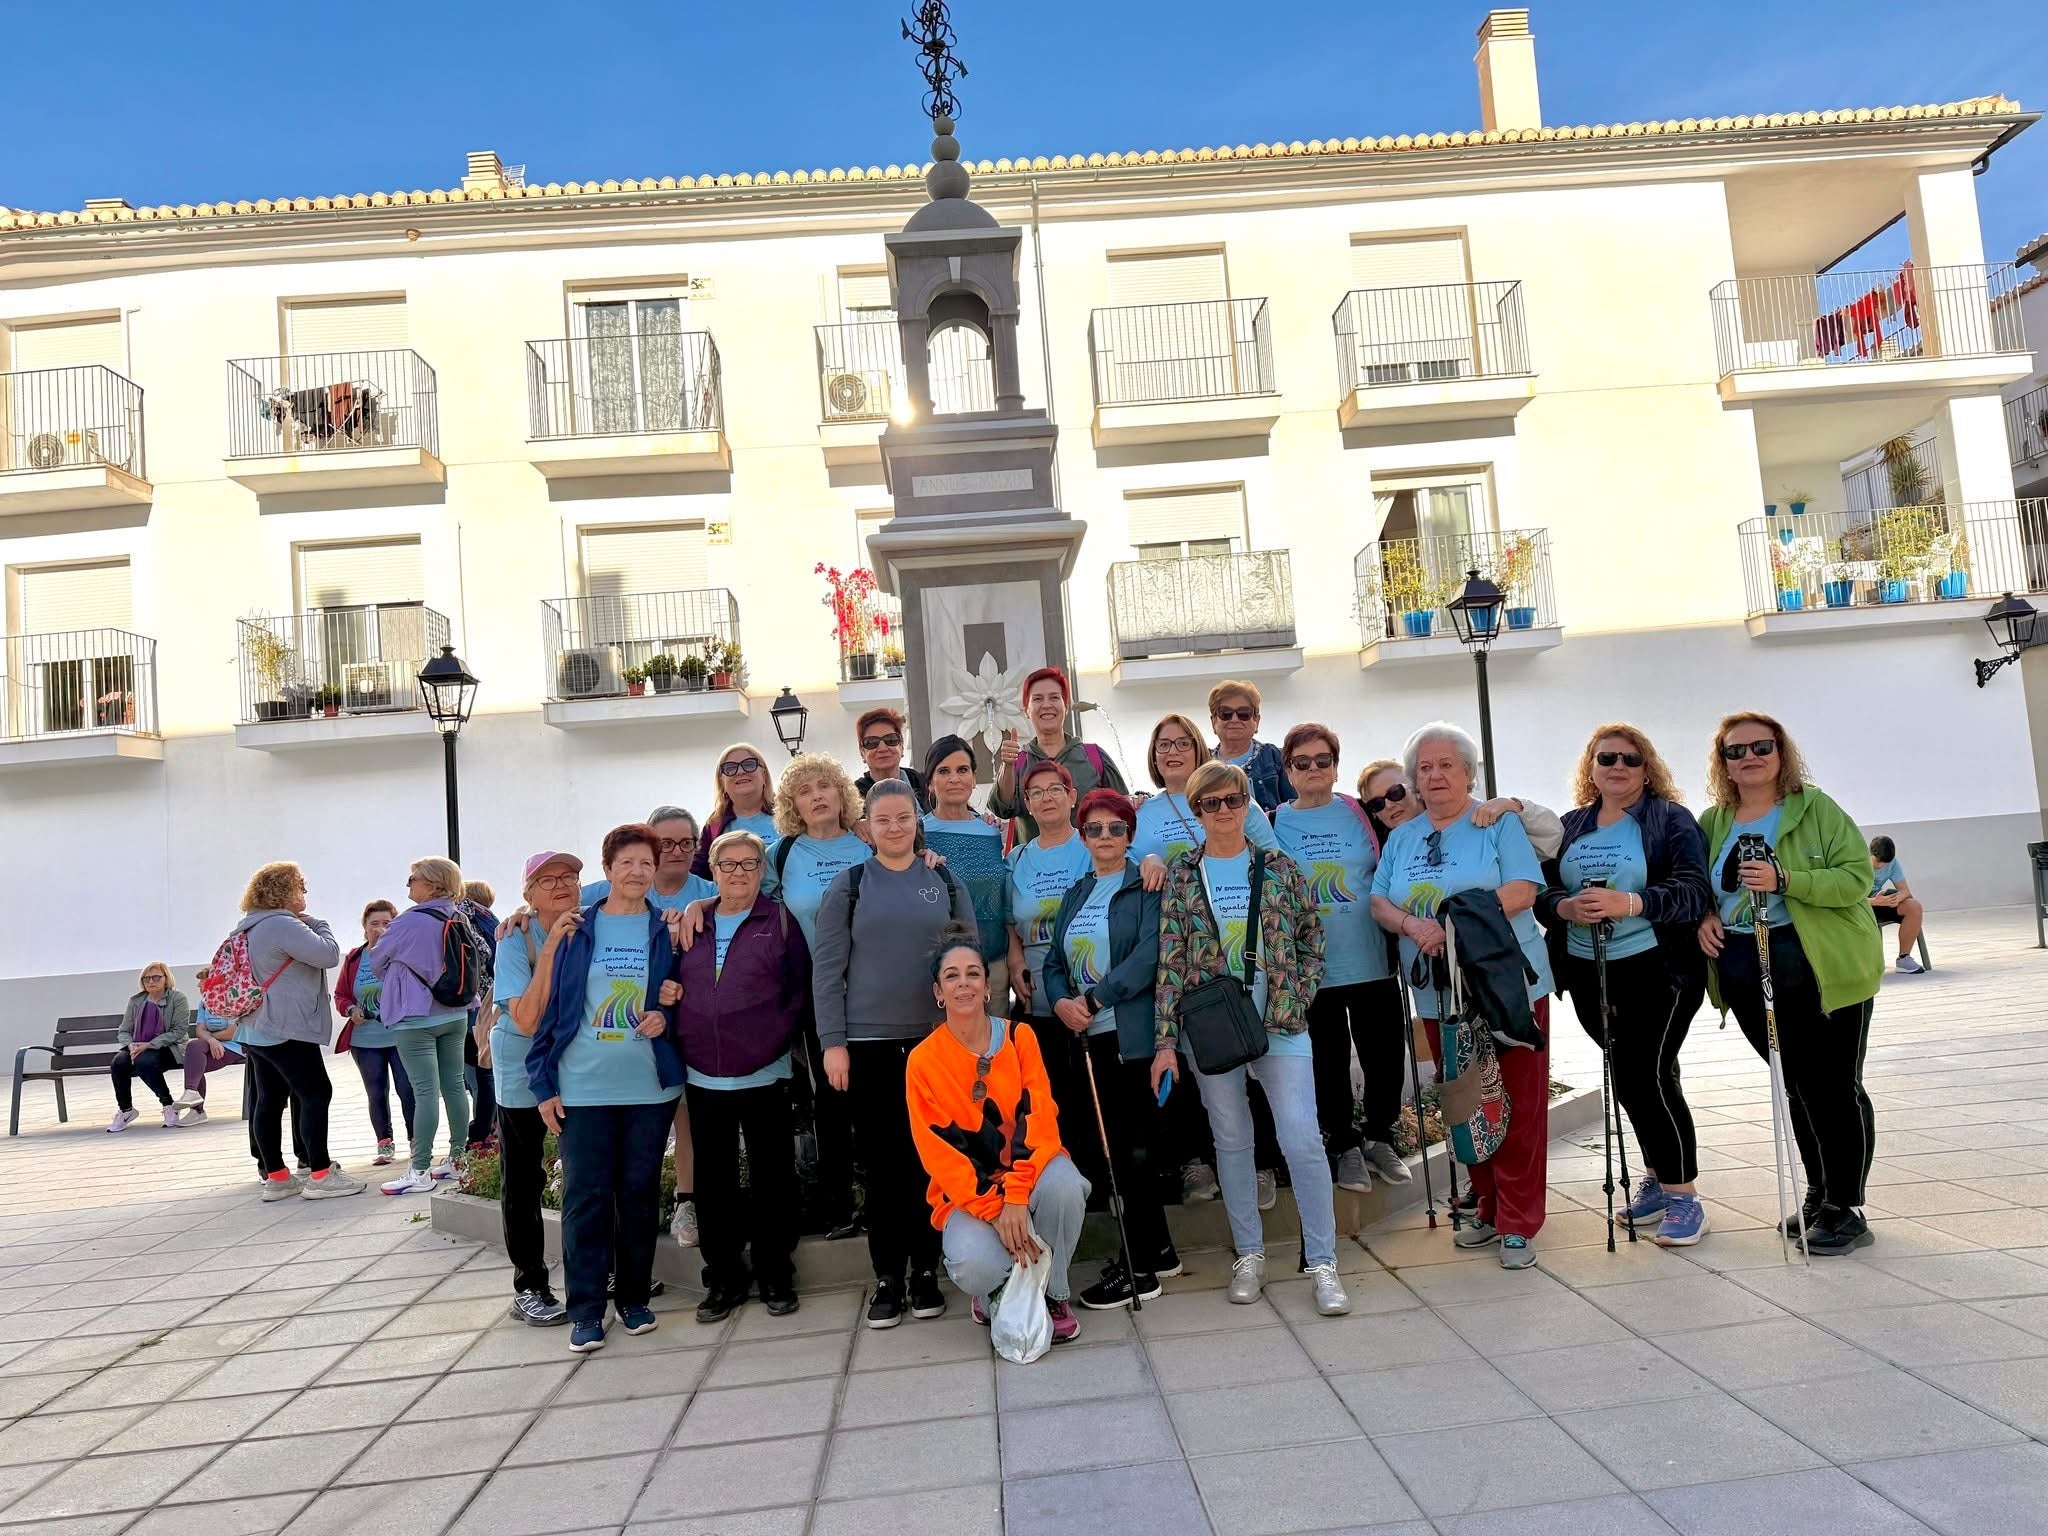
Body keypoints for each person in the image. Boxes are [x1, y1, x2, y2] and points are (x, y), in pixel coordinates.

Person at [1151, 760, 1349, 1316]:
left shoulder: (1278, 867)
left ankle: (1324, 1261)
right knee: (1232, 1141)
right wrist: (1166, 1042)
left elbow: (1313, 937)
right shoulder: (1184, 875)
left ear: (1247, 802)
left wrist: (1297, 993)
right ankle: (1250, 1254)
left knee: (1301, 1137)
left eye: (1232, 800)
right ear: (1196, 812)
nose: (1222, 812)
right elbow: (1170, 963)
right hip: (1212, 1028)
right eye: (1209, 804)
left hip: (1280, 1023)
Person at [1699, 710, 1883, 1256]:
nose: (1749, 758)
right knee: (1795, 1082)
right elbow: (1700, 885)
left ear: (1781, 753)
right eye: (1736, 751)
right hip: (1742, 960)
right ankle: (1819, 1191)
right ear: (1723, 762)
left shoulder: (1814, 808)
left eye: (1762, 747)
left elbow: (1856, 877)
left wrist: (1787, 879)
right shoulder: (1713, 821)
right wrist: (1704, 916)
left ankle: (1846, 1206)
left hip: (1820, 962)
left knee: (1833, 1084)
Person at [1370, 723, 1553, 1270]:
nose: (1435, 775)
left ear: (1469, 773)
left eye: (1446, 765)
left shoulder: (1494, 823)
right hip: (1439, 996)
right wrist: (1411, 923)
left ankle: (1520, 1221)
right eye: (1424, 768)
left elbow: (1523, 891)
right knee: (1463, 1102)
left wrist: (1447, 925)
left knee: (1518, 1102)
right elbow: (1380, 901)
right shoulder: (1404, 836)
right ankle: (1489, 1209)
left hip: (1506, 988)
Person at [1535, 724, 1715, 1245]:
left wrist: (1629, 903)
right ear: (1590, 767)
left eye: (1630, 760)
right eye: (1606, 757)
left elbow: (1692, 890)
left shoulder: (1668, 819)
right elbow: (1542, 890)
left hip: (1657, 970)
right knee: (1643, 1075)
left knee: (1643, 1077)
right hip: (1588, 972)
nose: (1618, 767)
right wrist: (1564, 907)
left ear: (1647, 768)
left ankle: (1684, 1198)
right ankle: (1659, 1180)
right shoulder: (1571, 825)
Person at [813, 779, 977, 1327]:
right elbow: (827, 971)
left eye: (903, 818)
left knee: (933, 1160)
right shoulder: (850, 886)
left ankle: (926, 1273)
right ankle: (887, 1277)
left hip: (935, 1044)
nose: (894, 828)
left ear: (916, 821)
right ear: (867, 827)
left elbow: (966, 961)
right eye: (883, 820)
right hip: (869, 1045)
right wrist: (833, 1045)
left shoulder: (944, 879)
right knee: (884, 1167)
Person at [529, 823, 685, 1351]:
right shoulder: (576, 930)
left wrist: (666, 1013)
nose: (637, 872)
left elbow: (679, 996)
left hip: (648, 1088)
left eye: (646, 863)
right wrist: (543, 1082)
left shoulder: (666, 928)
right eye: (627, 864)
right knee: (586, 1199)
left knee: (639, 1197)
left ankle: (635, 1299)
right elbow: (552, 1009)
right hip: (583, 1087)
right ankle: (586, 1310)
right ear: (608, 870)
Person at [907, 929, 1088, 1347]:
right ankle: (995, 1292)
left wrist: (1018, 1197)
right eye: (952, 976)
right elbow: (943, 1157)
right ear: (939, 991)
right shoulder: (923, 1063)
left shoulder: (1020, 1039)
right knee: (974, 1262)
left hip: (1027, 1175)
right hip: (971, 1194)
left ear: (988, 986)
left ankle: (1054, 1293)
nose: (964, 983)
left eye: (974, 973)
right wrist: (997, 1209)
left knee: (1064, 1184)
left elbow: (1039, 1121)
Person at [1134, 711, 1282, 1207]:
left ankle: (1263, 1165)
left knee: (1251, 1054)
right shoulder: (1144, 813)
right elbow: (1129, 863)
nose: (1171, 751)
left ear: (1199, 748)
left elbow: (1274, 867)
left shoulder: (1239, 800)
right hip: (1181, 958)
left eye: (1180, 742)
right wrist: (1147, 859)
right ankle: (1198, 1162)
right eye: (1161, 744)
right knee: (1198, 1059)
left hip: (1243, 958)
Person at [1042, 787, 1180, 1308]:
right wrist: (1060, 1003)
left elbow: (1152, 955)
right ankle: (1160, 1249)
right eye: (1095, 829)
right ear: (1082, 836)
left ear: (1130, 834)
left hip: (1130, 1037)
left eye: (1116, 829)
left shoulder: (1146, 887)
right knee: (1118, 1152)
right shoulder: (1076, 893)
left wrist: (1096, 997)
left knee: (1133, 1154)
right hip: (1085, 1036)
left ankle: (1140, 1269)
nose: (1105, 837)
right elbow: (1053, 962)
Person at [669, 829, 810, 1323]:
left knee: (773, 1178)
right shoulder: (692, 923)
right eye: (728, 865)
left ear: (761, 870)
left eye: (749, 864)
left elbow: (798, 993)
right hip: (703, 1074)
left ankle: (775, 1274)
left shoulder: (781, 921)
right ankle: (724, 1278)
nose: (739, 873)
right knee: (714, 1183)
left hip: (764, 1071)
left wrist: (769, 1043)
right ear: (714, 870)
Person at [1274, 724, 1410, 1194]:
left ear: (1336, 766)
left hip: (1372, 960)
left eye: (1323, 761)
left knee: (1386, 1057)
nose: (1314, 770)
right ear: (1288, 770)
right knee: (1326, 1064)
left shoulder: (1359, 813)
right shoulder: (1275, 823)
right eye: (1302, 763)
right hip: (1314, 970)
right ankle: (1345, 1145)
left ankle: (1379, 1137)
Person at [575, 806, 714, 1248]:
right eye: (665, 843)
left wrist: (699, 905)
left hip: (687, 1027)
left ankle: (685, 1202)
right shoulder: (606, 891)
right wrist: (518, 917)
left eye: (685, 843)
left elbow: (738, 897)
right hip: (617, 1049)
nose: (675, 851)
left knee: (686, 1118)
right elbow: (554, 906)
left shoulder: (705, 890)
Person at [764, 752, 886, 1240]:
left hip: (875, 989)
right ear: (793, 803)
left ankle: (884, 1199)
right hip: (818, 992)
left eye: (825, 786)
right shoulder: (783, 853)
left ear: (842, 793)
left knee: (878, 1097)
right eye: (804, 790)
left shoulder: (867, 843)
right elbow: (746, 899)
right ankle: (839, 1206)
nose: (816, 796)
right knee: (830, 1099)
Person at [230, 862, 365, 1200]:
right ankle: (320, 1173)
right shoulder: (281, 924)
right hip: (286, 1025)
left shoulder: (248, 926)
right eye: (300, 887)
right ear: (284, 891)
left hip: (257, 1026)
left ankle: (276, 1177)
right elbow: (328, 955)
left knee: (269, 1100)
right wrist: (319, 924)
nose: (304, 893)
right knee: (316, 1092)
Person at [491, 851, 582, 1327]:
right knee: (524, 1179)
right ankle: (529, 1285)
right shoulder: (515, 938)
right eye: (546, 880)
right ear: (527, 895)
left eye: (568, 876)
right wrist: (546, 952)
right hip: (522, 1067)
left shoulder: (591, 917)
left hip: (574, 1065)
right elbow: (525, 1019)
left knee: (587, 1172)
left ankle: (593, 1271)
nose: (560, 885)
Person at [374, 858, 477, 1197]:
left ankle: (419, 1170)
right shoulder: (457, 915)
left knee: (424, 1092)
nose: (408, 885)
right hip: (455, 1012)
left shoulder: (409, 922)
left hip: (414, 1017)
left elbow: (377, 961)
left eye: (413, 878)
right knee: (454, 1086)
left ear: (432, 884)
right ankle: (458, 1158)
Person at [1005, 760, 1092, 1146]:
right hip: (1037, 993)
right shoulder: (1017, 859)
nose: (1046, 798)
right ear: (1027, 804)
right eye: (1036, 792)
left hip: (1089, 989)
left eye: (1055, 789)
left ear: (1072, 797)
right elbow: (1008, 920)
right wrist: (1015, 960)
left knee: (1094, 1090)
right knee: (1052, 1091)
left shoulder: (1093, 845)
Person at [922, 735, 1013, 1003]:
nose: (954, 778)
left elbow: (1005, 901)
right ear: (930, 782)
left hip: (994, 967)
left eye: (962, 770)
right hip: (942, 971)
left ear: (974, 779)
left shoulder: (993, 832)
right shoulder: (917, 835)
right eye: (943, 771)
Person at [990, 666, 1128, 840]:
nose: (1047, 705)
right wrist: (1007, 765)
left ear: (1066, 706)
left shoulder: (1095, 757)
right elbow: (1002, 809)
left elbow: (1124, 810)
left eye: (1054, 697)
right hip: (1034, 865)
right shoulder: (1018, 762)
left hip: (1091, 864)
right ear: (1026, 710)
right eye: (1037, 699)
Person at [334, 899, 415, 1165]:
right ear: (364, 928)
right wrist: (350, 1010)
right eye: (374, 924)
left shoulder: (402, 954)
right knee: (376, 1091)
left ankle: (416, 1140)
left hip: (400, 1036)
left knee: (408, 1089)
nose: (380, 929)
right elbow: (341, 995)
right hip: (365, 1039)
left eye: (387, 924)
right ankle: (384, 1144)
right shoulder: (355, 959)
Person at [107, 962, 193, 1132]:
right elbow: (124, 1030)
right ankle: (126, 1110)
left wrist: (151, 1044)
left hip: (169, 1046)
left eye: (156, 977)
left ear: (166, 979)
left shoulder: (178, 998)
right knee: (119, 1062)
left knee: (145, 1061)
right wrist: (130, 1045)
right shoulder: (136, 1001)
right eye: (147, 978)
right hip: (137, 1046)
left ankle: (168, 1105)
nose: (151, 981)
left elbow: (179, 1031)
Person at [1209, 681, 1295, 815]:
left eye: (1244, 713)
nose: (1235, 719)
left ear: (1257, 721)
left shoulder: (1276, 757)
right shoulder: (1201, 763)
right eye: (1226, 713)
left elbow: (1297, 806)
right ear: (1214, 722)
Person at [692, 745, 779, 878]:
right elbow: (698, 875)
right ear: (722, 782)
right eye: (730, 768)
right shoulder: (714, 826)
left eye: (749, 765)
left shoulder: (787, 816)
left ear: (764, 774)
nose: (740, 772)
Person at [462, 879, 500, 1150]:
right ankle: (489, 1127)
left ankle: (481, 1131)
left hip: (469, 1005)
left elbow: (480, 953)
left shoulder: (462, 915)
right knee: (487, 1071)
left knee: (477, 1074)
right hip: (490, 1001)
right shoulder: (489, 919)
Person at [1868, 836, 1927, 974]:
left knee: (1914, 906)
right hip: (1860, 906)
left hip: (1879, 901)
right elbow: (1849, 899)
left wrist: (1897, 898)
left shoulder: (1892, 863)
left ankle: (1903, 959)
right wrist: (1874, 901)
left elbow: (1905, 891)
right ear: (1870, 853)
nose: (1881, 866)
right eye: (1878, 861)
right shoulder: (1857, 862)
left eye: (1886, 863)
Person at [852, 707, 926, 802]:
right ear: (862, 752)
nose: (882, 748)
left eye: (891, 739)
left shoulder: (924, 784)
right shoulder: (853, 797)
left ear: (902, 746)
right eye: (871, 742)